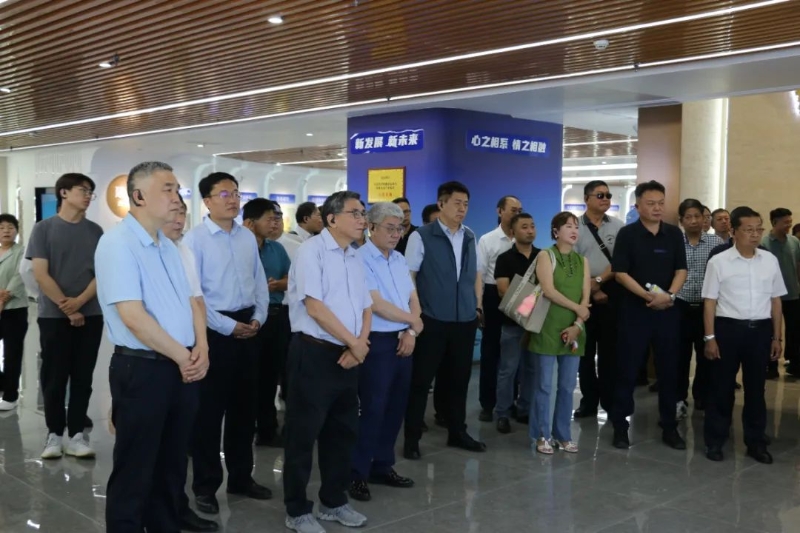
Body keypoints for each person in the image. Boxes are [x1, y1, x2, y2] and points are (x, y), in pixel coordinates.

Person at [97, 161, 210, 532]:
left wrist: (200, 349)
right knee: (136, 466)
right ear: (139, 196)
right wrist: (183, 356)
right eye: (168, 189)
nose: (176, 197)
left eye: (177, 189)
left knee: (172, 463)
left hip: (180, 366)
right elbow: (133, 316)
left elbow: (190, 302)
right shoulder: (117, 243)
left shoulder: (168, 246)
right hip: (143, 368)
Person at [183, 172, 271, 515]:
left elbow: (259, 282)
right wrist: (228, 326)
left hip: (249, 326)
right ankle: (205, 486)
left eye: (235, 193)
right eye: (224, 194)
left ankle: (241, 477)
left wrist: (258, 317)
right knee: (208, 414)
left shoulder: (246, 237)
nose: (233, 199)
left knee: (244, 410)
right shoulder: (195, 240)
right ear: (206, 201)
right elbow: (195, 296)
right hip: (214, 332)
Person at [284, 191, 372, 533]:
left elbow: (366, 306)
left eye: (363, 213)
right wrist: (354, 343)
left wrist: (359, 345)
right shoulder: (312, 251)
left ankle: (333, 502)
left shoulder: (355, 255)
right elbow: (315, 307)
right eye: (355, 213)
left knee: (342, 433)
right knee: (303, 436)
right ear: (332, 219)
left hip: (349, 355)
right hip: (315, 353)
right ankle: (297, 510)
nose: (362, 219)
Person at [403, 181, 485, 460]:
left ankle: (457, 431)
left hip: (464, 320)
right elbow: (410, 278)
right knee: (421, 380)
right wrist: (416, 315)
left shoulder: (470, 236)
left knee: (459, 380)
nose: (462, 209)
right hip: (432, 319)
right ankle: (412, 437)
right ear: (441, 204)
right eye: (457, 203)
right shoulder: (422, 236)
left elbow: (476, 274)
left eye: (466, 204)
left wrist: (477, 305)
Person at [27, 172, 104, 459]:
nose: (87, 196)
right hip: (53, 316)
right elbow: (40, 274)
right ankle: (54, 434)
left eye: (90, 192)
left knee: (83, 376)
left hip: (91, 314)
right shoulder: (43, 229)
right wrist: (68, 307)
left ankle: (77, 435)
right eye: (83, 190)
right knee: (54, 377)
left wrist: (80, 302)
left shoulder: (95, 231)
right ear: (64, 193)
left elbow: (102, 273)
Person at [348, 202, 421, 503]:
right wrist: (413, 321)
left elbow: (413, 296)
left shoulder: (400, 259)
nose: (395, 234)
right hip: (377, 340)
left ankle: (382, 465)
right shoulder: (359, 258)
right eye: (389, 228)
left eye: (399, 228)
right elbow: (376, 304)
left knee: (395, 406)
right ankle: (357, 472)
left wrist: (412, 330)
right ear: (371, 227)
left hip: (404, 339)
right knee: (373, 407)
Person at [702, 206, 784, 464]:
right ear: (734, 231)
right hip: (728, 330)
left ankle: (756, 442)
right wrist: (710, 338)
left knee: (756, 390)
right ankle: (715, 440)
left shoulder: (769, 260)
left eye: (759, 229)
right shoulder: (719, 262)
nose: (755, 234)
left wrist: (777, 337)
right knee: (721, 388)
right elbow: (710, 302)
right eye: (749, 230)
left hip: (760, 331)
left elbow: (776, 301)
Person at [610, 180, 688, 450]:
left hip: (667, 312)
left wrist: (670, 295)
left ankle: (669, 426)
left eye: (661, 203)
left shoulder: (673, 234)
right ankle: (620, 426)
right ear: (638, 205)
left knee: (669, 371)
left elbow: (681, 270)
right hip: (635, 312)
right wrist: (647, 297)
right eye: (651, 203)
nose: (657, 208)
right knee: (627, 369)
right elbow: (620, 273)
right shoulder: (627, 234)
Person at [162, 194, 219, 533]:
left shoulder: (183, 250)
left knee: (179, 442)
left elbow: (197, 301)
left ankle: (178, 508)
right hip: (155, 357)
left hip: (188, 353)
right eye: (173, 212)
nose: (179, 219)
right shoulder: (141, 251)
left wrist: (202, 346)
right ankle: (157, 514)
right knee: (150, 448)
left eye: (182, 213)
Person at [528, 212, 589, 454]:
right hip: (547, 327)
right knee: (544, 385)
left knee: (566, 386)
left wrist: (578, 324)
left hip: (574, 329)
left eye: (576, 227)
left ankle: (563, 434)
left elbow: (585, 298)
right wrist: (578, 308)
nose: (574, 230)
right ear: (556, 231)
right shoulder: (546, 255)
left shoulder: (582, 261)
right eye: (568, 226)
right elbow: (548, 290)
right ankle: (541, 435)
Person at [242, 198, 292, 447]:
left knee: (270, 376)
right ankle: (244, 428)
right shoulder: (239, 248)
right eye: (270, 219)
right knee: (247, 377)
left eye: (276, 219)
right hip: (247, 318)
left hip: (275, 316)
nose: (275, 224)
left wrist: (279, 284)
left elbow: (291, 278)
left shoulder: (277, 249)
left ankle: (267, 430)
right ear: (251, 223)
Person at [573, 180, 624, 418]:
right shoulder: (574, 227)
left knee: (609, 353)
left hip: (612, 291)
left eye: (608, 195)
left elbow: (620, 261)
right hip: (582, 293)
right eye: (600, 195)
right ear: (587, 199)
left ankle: (610, 401)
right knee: (584, 353)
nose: (605, 199)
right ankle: (589, 401)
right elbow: (573, 264)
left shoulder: (619, 227)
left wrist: (600, 282)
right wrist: (592, 289)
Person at [675, 199, 724, 417]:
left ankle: (702, 396)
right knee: (679, 356)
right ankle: (679, 398)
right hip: (680, 305)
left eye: (698, 216)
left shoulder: (716, 242)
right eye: (689, 217)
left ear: (705, 219)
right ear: (681, 220)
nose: (694, 221)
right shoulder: (674, 242)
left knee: (706, 355)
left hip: (707, 307)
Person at [476, 195, 522, 422]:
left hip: (519, 295)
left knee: (514, 353)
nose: (516, 214)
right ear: (499, 211)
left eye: (519, 210)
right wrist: (479, 305)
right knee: (491, 352)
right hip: (493, 296)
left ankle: (510, 401)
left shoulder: (522, 239)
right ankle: (487, 403)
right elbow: (480, 274)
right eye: (513, 209)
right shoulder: (488, 240)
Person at [493, 213, 539, 433]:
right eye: (524, 227)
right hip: (512, 323)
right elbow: (503, 291)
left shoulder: (543, 257)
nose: (530, 231)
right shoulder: (504, 259)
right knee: (508, 370)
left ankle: (525, 409)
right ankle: (502, 412)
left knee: (531, 369)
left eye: (532, 226)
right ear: (513, 232)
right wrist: (532, 304)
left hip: (537, 324)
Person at [761, 208, 800, 378]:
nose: (789, 225)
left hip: (793, 294)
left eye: (790, 221)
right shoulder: (764, 243)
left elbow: (798, 265)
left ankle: (795, 365)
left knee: (795, 331)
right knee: (771, 332)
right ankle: (771, 366)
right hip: (771, 296)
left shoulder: (794, 242)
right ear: (774, 222)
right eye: (785, 222)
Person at [0, 215, 29, 411]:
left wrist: (3, 298)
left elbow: (20, 275)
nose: (6, 231)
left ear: (17, 231)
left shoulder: (23, 251)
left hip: (15, 309)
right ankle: (3, 382)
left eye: (10, 227)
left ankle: (11, 396)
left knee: (12, 354)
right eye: (2, 228)